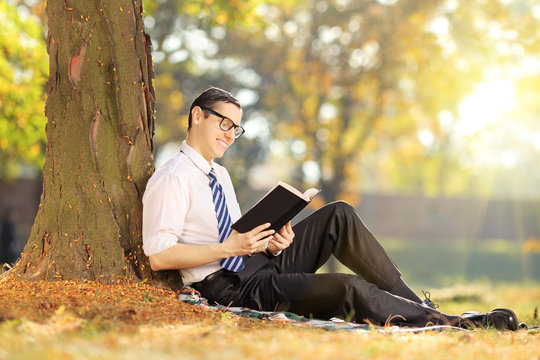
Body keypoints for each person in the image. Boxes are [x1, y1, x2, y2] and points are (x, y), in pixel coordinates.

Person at [142, 86, 518, 330]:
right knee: (347, 288)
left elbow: (237, 236)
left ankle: (416, 303)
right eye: (224, 123)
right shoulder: (172, 177)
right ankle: (450, 323)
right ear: (196, 115)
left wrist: (273, 243)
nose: (229, 134)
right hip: (229, 287)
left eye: (236, 128)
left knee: (339, 213)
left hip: (256, 263)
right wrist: (230, 249)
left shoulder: (219, 176)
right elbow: (158, 255)